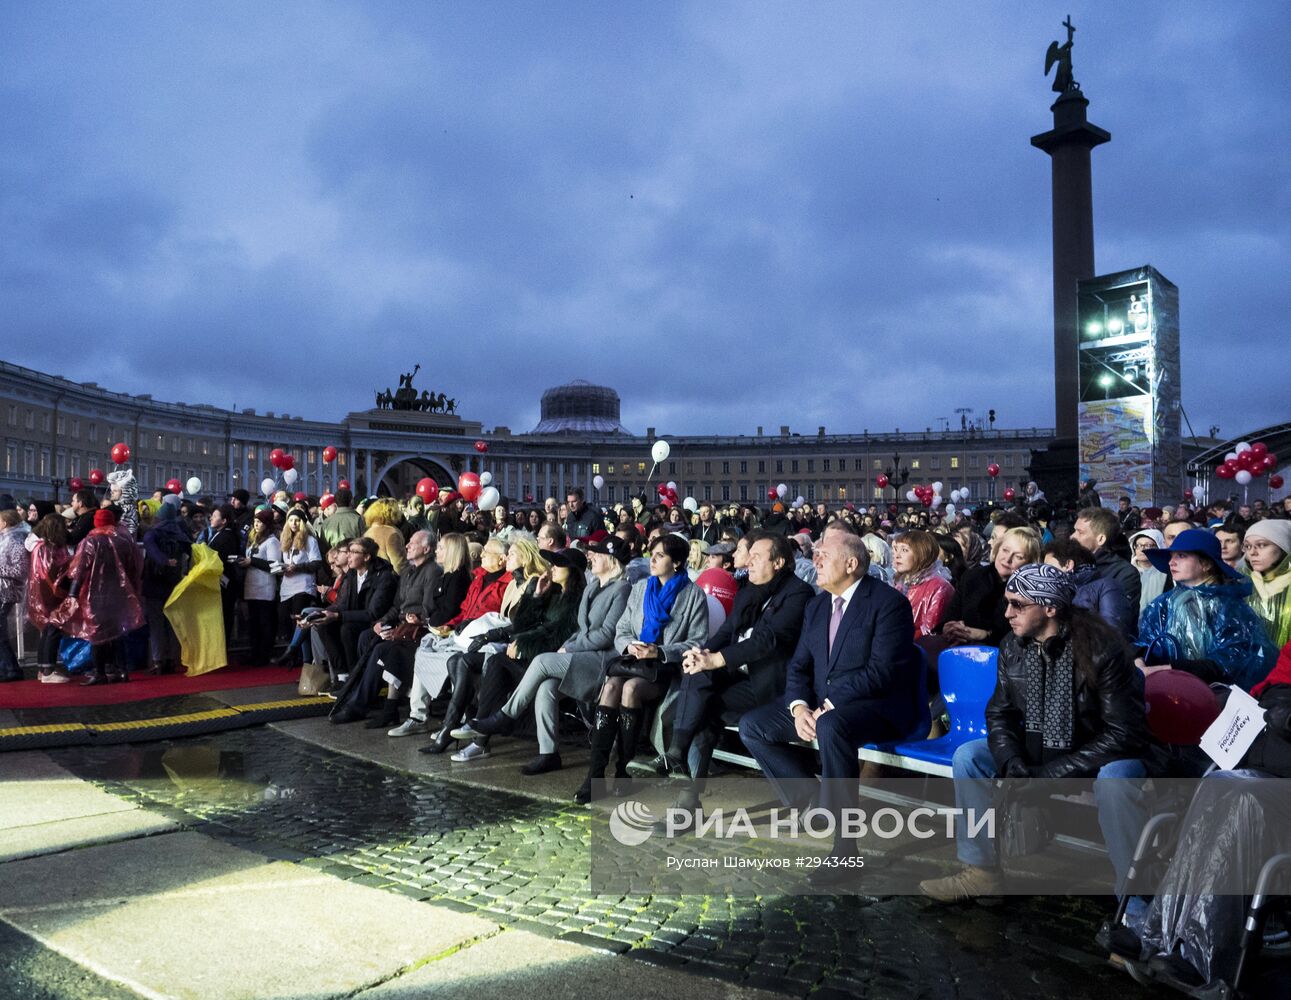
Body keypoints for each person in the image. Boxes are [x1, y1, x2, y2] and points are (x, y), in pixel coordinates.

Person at [919, 563, 1158, 904]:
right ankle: (981, 872)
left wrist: (1049, 774)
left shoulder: (1103, 649)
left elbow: (1123, 734)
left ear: (1050, 607)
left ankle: (1136, 908)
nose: (1007, 613)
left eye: (1018, 605)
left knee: (1116, 780)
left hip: (1102, 752)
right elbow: (999, 713)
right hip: (1037, 746)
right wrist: (1012, 761)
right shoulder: (1013, 647)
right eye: (1007, 602)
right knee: (969, 756)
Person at [738, 523, 923, 885]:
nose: (815, 560)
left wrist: (828, 704)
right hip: (822, 707)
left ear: (852, 564)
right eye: (816, 553)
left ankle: (845, 850)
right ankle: (810, 797)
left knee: (831, 725)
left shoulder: (888, 604)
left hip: (877, 706)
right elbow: (799, 666)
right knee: (753, 725)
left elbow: (882, 673)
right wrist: (797, 707)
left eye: (824, 554)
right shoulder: (818, 605)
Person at [639, 531, 813, 818]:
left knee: (701, 704)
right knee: (698, 684)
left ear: (779, 562)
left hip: (774, 687)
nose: (749, 563)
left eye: (757, 557)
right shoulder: (749, 590)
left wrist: (717, 659)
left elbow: (768, 640)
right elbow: (726, 632)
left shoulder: (798, 594)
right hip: (742, 679)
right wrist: (701, 654)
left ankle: (681, 776)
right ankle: (678, 762)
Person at [468, 533, 633, 775]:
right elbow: (580, 629)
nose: (593, 556)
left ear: (613, 561)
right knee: (546, 687)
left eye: (599, 554)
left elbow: (607, 635)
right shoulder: (593, 588)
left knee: (542, 661)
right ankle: (548, 754)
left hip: (601, 660)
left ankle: (506, 714)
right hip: (580, 655)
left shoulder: (622, 589)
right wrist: (566, 646)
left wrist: (568, 648)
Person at [572, 531, 708, 803]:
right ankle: (595, 775)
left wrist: (659, 651)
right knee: (611, 687)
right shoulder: (641, 588)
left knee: (630, 689)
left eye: (660, 556)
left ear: (677, 563)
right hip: (633, 661)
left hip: (665, 668)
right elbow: (622, 629)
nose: (652, 560)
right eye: (652, 554)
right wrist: (630, 646)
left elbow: (697, 641)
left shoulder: (694, 595)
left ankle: (624, 769)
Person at [446, 547, 587, 762]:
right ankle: (481, 731)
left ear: (573, 571)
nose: (553, 568)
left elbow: (558, 634)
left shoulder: (578, 599)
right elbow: (522, 624)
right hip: (532, 656)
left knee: (496, 663)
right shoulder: (553, 592)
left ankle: (480, 736)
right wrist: (537, 595)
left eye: (559, 564)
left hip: (547, 660)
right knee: (492, 662)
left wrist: (523, 644)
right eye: (553, 563)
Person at [1137, 529, 1277, 690]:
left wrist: (1171, 670)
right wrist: (1138, 659)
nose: (1171, 562)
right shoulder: (1163, 603)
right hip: (1165, 691)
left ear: (1206, 564)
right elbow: (1145, 641)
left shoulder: (1230, 608)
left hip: (1216, 699)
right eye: (1171, 556)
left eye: (1181, 556)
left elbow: (1231, 659)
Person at [327, 530, 441, 726]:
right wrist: (380, 623)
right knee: (368, 635)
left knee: (378, 648)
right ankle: (362, 693)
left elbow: (428, 607)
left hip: (416, 628)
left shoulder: (432, 571)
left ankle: (361, 702)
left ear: (427, 549)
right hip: (401, 624)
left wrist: (405, 621)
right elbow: (396, 605)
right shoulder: (407, 572)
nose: (407, 546)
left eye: (413, 543)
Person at [54, 508, 145, 685]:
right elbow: (134, 565)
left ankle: (100, 672)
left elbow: (79, 569)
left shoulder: (91, 541)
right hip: (120, 593)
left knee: (96, 633)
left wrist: (73, 592)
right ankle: (122, 670)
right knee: (117, 631)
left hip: (95, 594)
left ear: (96, 522)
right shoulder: (124, 539)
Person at [941, 526, 1041, 647]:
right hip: (960, 649)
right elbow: (951, 615)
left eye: (1018, 557)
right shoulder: (971, 576)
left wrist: (985, 635)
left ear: (1030, 563)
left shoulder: (1030, 592)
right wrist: (950, 627)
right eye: (1005, 550)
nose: (1007, 559)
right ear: (997, 549)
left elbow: (1023, 639)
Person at [313, 537, 398, 680]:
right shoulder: (352, 574)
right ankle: (342, 675)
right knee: (324, 625)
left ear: (366, 556)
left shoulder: (384, 576)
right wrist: (319, 615)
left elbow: (373, 613)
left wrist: (338, 616)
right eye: (348, 551)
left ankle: (355, 677)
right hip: (355, 618)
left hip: (376, 622)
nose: (348, 555)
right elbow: (343, 604)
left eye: (353, 552)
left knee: (347, 629)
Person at [1042, 538, 1134, 635]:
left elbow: (1115, 633)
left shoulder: (1108, 587)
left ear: (1068, 565)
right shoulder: (1051, 593)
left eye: (1048, 567)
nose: (1043, 573)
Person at [141, 502, 192, 675]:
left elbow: (152, 551)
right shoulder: (180, 534)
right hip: (175, 584)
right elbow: (192, 550)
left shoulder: (152, 534)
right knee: (172, 623)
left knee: (156, 624)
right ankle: (172, 659)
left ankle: (157, 661)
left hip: (154, 583)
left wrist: (164, 561)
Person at [1070, 507, 1141, 632]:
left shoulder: (1125, 573)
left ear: (1101, 539)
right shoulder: (1070, 566)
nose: (1072, 537)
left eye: (1080, 532)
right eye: (1074, 531)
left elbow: (1117, 625)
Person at [26, 513, 74, 683]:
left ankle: (43, 668)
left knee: (47, 631)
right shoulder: (45, 547)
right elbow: (48, 571)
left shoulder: (40, 546)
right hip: (51, 593)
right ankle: (48, 670)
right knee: (53, 630)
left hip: (44, 593)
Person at [891, 529, 955, 637]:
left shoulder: (940, 587)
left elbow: (930, 632)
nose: (897, 555)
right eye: (896, 549)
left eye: (905, 550)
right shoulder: (900, 584)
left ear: (922, 554)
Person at [238, 509, 281, 666]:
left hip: (265, 587)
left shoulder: (272, 542)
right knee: (253, 622)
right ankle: (254, 651)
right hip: (251, 586)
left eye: (260, 522)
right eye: (255, 522)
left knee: (265, 622)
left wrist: (252, 562)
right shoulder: (253, 540)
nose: (256, 525)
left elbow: (275, 565)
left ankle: (264, 653)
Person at [1241, 519, 1291, 651]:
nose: (1252, 552)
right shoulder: (1242, 583)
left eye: (1262, 545)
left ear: (1283, 548)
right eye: (1248, 546)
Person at [0, 509, 30, 682]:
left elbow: (20, 570)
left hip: (7, 592)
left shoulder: (16, 540)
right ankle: (7, 668)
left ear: (5, 523)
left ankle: (11, 669)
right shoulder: (5, 539)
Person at [1127, 528, 1168, 614]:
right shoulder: (1127, 570)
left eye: (1148, 546)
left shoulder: (1165, 571)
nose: (1142, 550)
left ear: (1158, 547)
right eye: (1138, 545)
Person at [362, 498, 407, 575]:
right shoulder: (392, 533)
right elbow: (399, 565)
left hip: (371, 579)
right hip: (389, 581)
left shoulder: (367, 533)